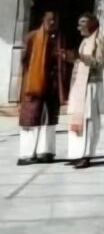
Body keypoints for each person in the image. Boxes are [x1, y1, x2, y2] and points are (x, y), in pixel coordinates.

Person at [18, 11, 65, 166]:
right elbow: (25, 61)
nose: (52, 22)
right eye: (49, 19)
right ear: (43, 20)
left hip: (51, 85)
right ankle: (26, 154)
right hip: (33, 84)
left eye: (55, 20)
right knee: (30, 119)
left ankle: (45, 152)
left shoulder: (58, 38)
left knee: (48, 119)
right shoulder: (32, 37)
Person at [64, 13, 104, 169]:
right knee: (77, 119)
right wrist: (70, 57)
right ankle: (76, 154)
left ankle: (86, 155)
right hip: (80, 85)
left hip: (91, 85)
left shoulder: (99, 40)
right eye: (79, 23)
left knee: (89, 121)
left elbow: (99, 62)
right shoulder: (85, 41)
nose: (79, 26)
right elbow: (81, 61)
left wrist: (80, 56)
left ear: (92, 24)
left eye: (83, 22)